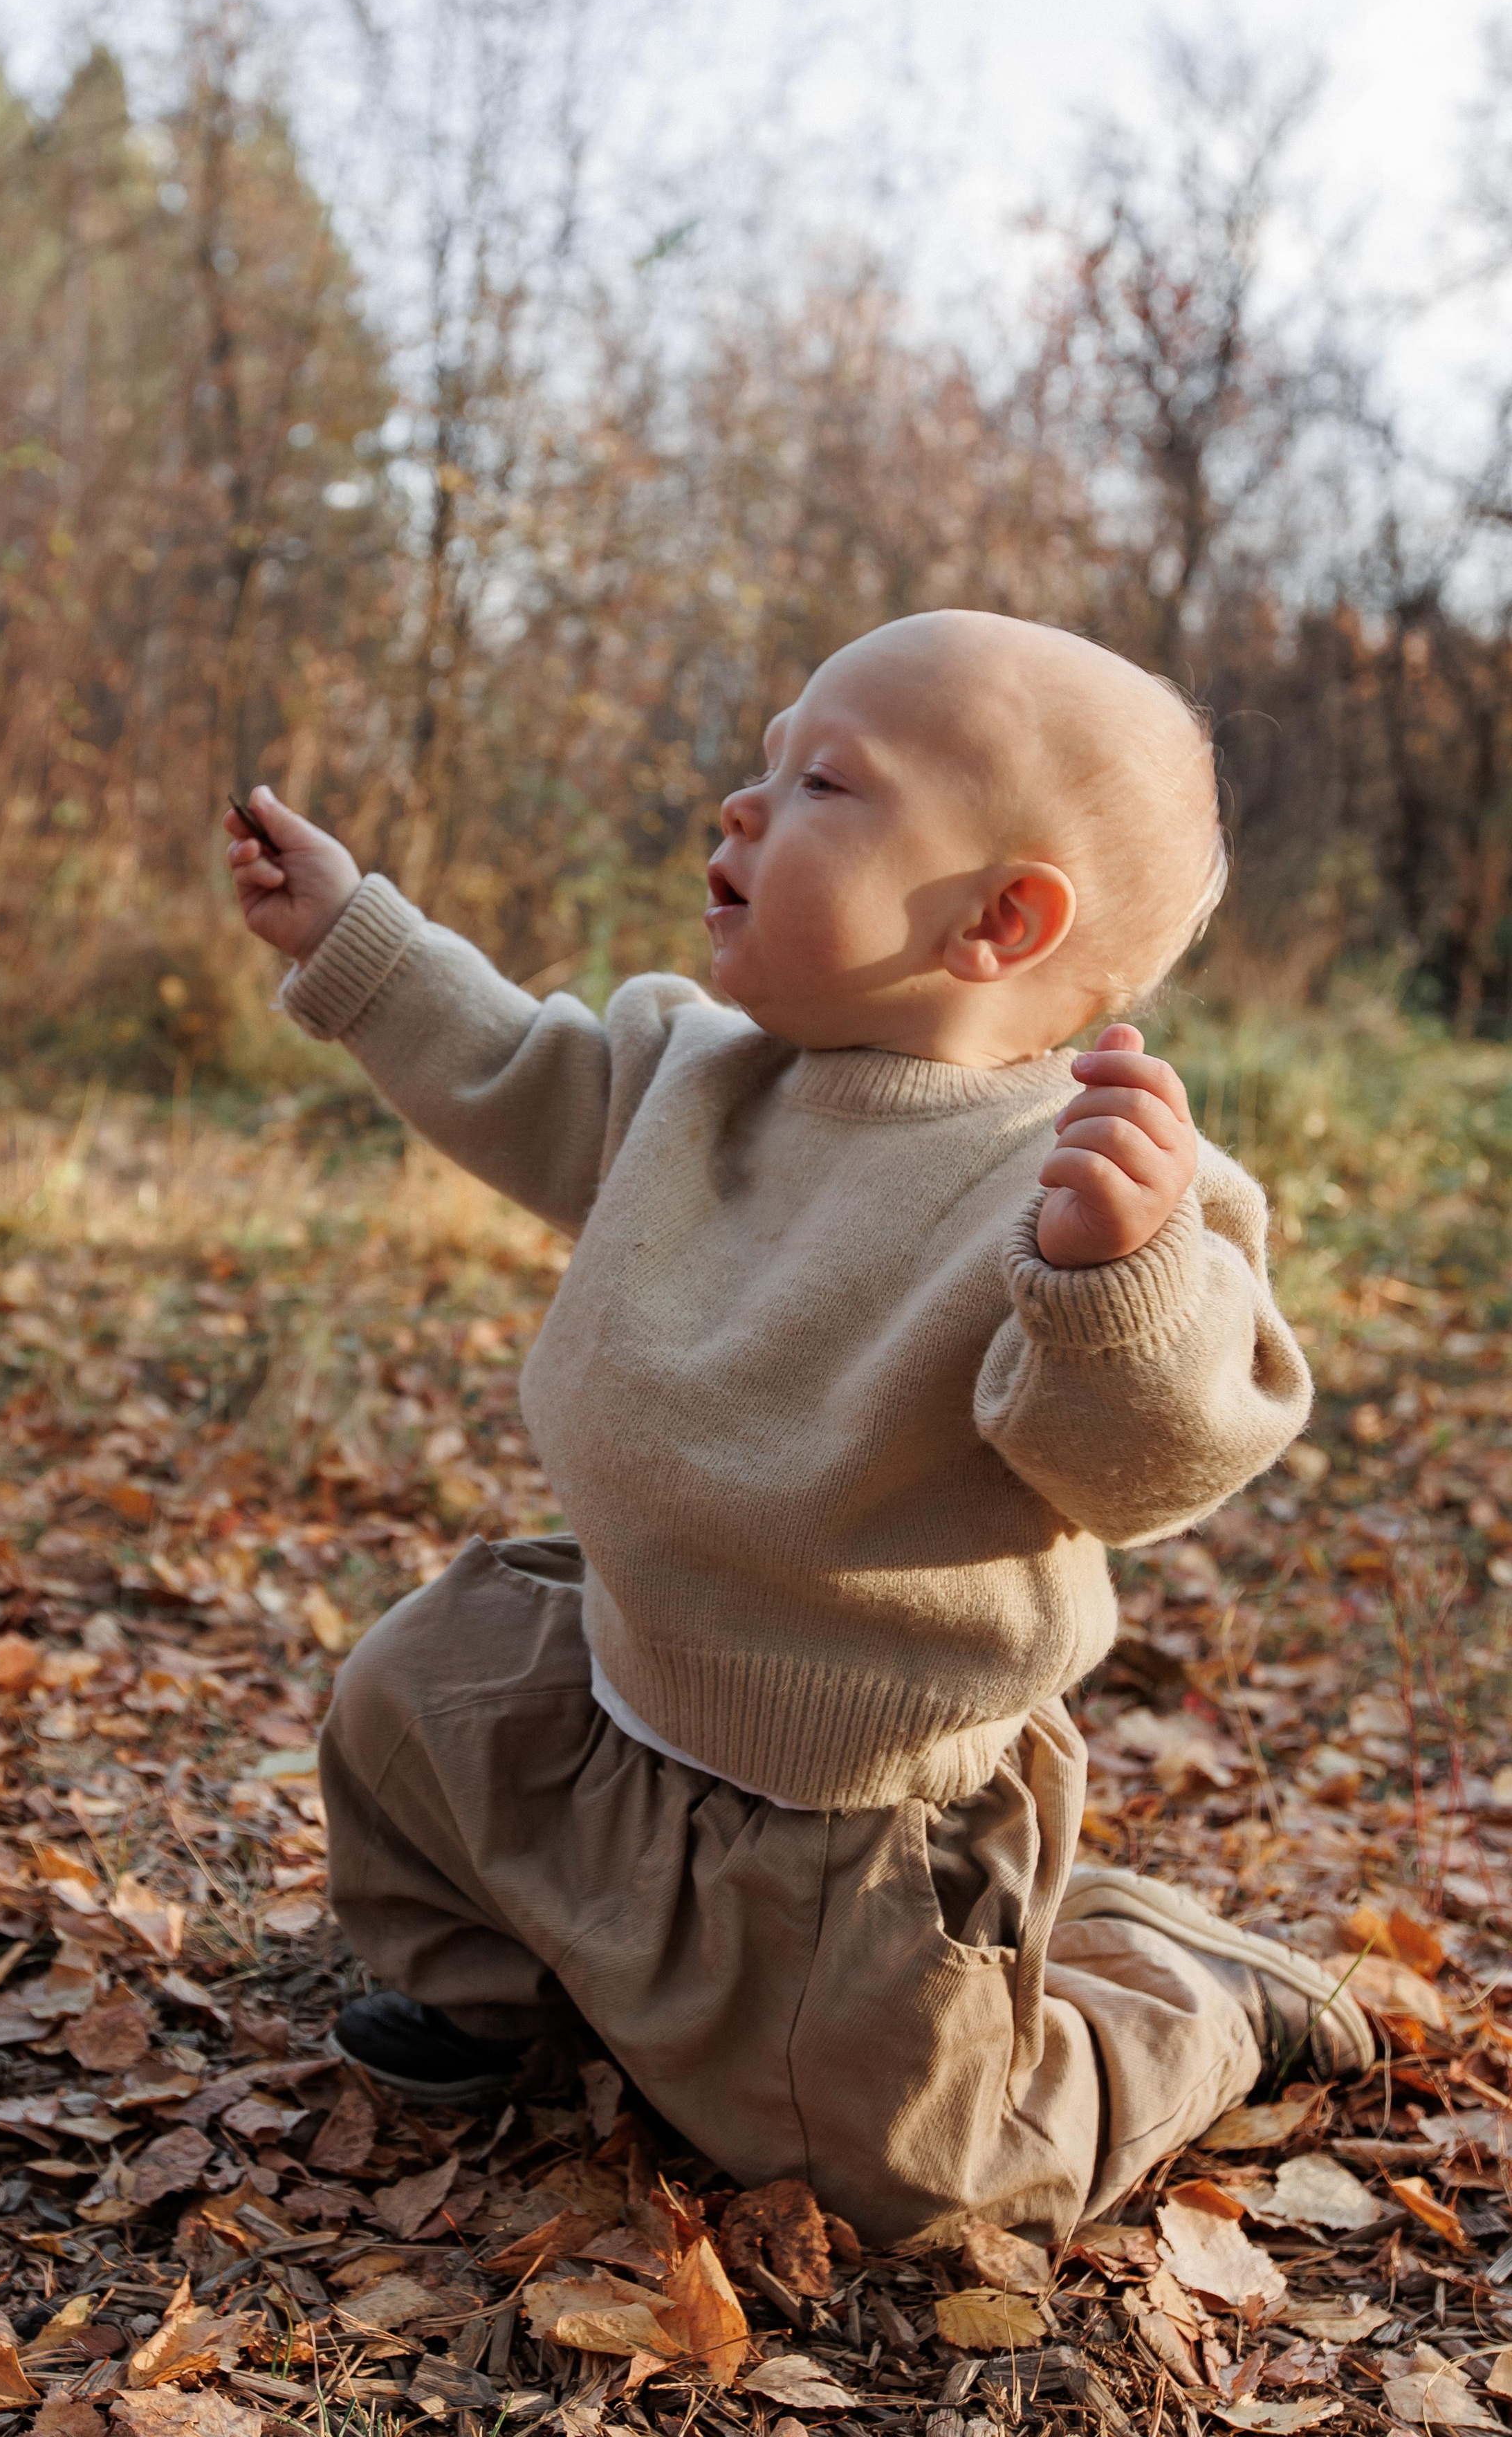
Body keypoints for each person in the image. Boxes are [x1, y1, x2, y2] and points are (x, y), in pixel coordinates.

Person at [225, 609, 1372, 2244]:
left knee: (912, 2172)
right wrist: (353, 936)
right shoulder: (699, 1079)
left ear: (997, 919)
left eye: (820, 782)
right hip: (611, 1663)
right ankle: (489, 1990)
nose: (739, 809)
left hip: (852, 1801)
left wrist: (1113, 1279)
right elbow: (509, 1065)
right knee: (414, 1699)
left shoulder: (1080, 1187)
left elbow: (1144, 1461)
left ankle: (1186, 1992)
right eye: (760, 764)